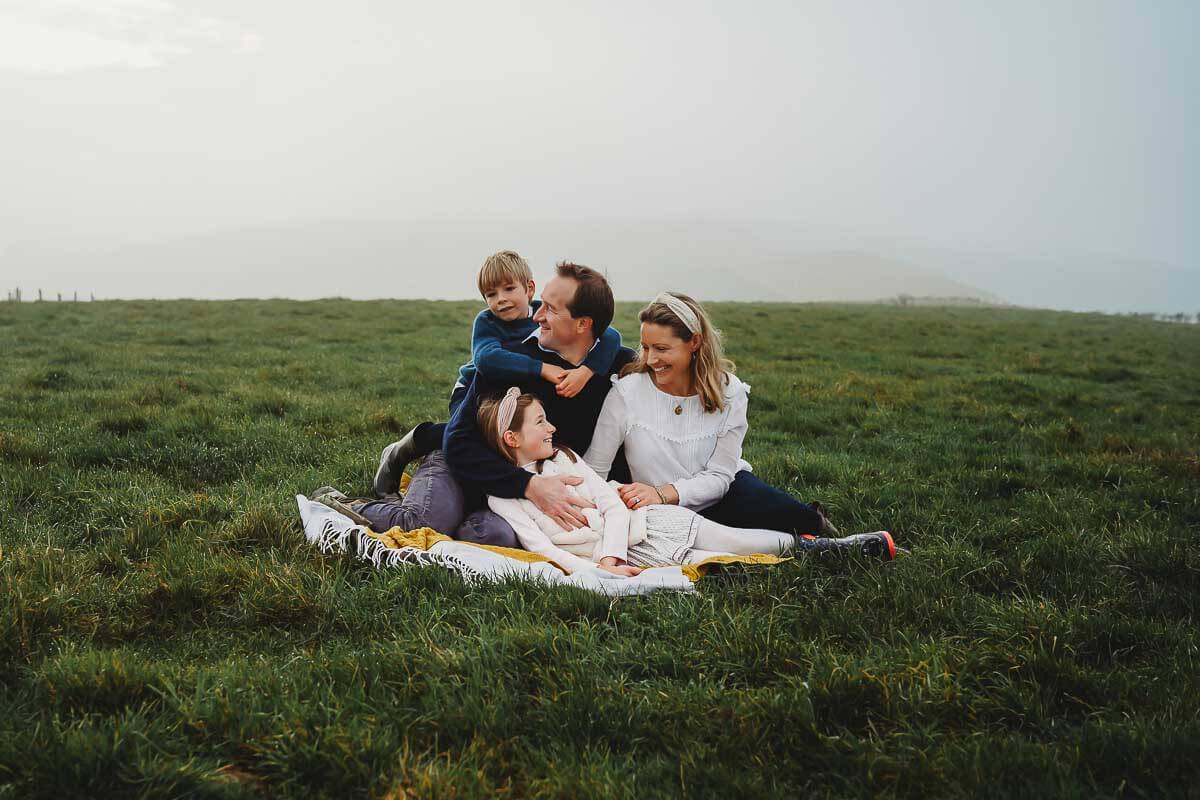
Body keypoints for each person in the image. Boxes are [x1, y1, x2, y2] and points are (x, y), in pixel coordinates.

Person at [584, 291, 897, 560]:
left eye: (662, 349)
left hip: (723, 492)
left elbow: (721, 477)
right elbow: (595, 469)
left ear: (694, 342)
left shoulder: (729, 392)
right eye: (646, 347)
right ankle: (820, 545)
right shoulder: (627, 392)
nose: (651, 359)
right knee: (737, 547)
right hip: (663, 512)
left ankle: (822, 530)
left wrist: (664, 492)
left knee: (795, 518)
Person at [353, 261, 634, 546]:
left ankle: (467, 518)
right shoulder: (510, 364)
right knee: (429, 521)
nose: (536, 316)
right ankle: (345, 506)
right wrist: (529, 486)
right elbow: (459, 444)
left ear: (584, 324)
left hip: (510, 488)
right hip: (468, 463)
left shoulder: (615, 366)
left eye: (549, 308)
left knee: (494, 536)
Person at [479, 388, 817, 574]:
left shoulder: (565, 457)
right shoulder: (503, 499)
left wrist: (612, 557)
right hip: (636, 557)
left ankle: (827, 547)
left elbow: (612, 504)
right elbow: (542, 549)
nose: (551, 428)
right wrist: (599, 571)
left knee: (737, 541)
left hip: (650, 522)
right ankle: (812, 549)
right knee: (723, 563)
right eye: (540, 422)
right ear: (512, 438)